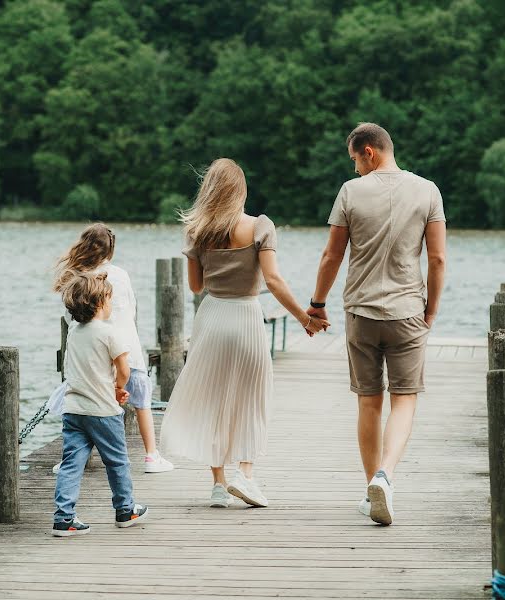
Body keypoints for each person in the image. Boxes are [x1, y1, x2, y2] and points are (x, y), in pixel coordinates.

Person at [160, 158, 328, 508]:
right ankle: (245, 476)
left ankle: (219, 485)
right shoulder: (260, 227)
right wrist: (303, 317)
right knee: (252, 399)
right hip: (247, 317)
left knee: (213, 401)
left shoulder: (196, 230)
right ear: (240, 190)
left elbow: (195, 286)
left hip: (213, 317)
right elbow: (273, 281)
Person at [308, 123, 447, 525]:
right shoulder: (428, 190)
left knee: (369, 402)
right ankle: (386, 475)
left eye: (354, 159)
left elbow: (331, 256)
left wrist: (317, 304)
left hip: (362, 313)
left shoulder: (351, 193)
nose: (354, 169)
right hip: (407, 313)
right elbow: (437, 259)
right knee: (404, 398)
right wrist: (431, 310)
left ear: (369, 151)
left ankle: (372, 487)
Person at [54, 223, 174, 473]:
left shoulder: (78, 277)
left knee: (87, 403)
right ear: (111, 250)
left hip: (94, 356)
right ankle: (152, 456)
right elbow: (131, 308)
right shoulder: (120, 274)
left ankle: (76, 459)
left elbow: (70, 317)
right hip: (126, 349)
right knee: (142, 404)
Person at [51, 271, 149, 536]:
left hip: (74, 410)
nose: (111, 305)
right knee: (117, 461)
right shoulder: (110, 333)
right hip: (103, 412)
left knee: (72, 463)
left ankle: (64, 518)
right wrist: (118, 388)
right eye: (108, 299)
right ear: (98, 303)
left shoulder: (74, 332)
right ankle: (125, 509)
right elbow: (124, 370)